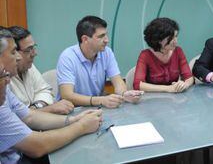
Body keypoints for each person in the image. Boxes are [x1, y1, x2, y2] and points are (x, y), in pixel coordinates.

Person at [0, 28, 102, 163]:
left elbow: (30, 116)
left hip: (23, 152)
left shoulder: (6, 85)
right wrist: (82, 126)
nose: (18, 57)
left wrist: (75, 119)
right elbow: (37, 146)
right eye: (14, 52)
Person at [56, 16, 143, 108]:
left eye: (106, 35)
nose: (107, 40)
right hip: (72, 110)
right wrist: (101, 100)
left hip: (96, 107)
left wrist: (124, 94)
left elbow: (118, 82)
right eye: (101, 36)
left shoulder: (107, 52)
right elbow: (67, 95)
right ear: (85, 39)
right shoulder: (67, 57)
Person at [8, 26, 74, 114]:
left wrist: (36, 107)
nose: (34, 53)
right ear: (14, 52)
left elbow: (45, 91)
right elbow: (12, 116)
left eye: (33, 47)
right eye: (29, 50)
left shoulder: (29, 67)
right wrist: (48, 109)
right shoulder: (4, 77)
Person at [133, 18, 194, 92]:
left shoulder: (178, 51)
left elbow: (189, 77)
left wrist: (184, 85)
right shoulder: (145, 55)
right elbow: (137, 84)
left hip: (174, 99)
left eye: (176, 36)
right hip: (153, 99)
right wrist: (169, 89)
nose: (176, 41)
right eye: (171, 38)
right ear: (158, 39)